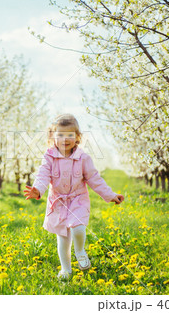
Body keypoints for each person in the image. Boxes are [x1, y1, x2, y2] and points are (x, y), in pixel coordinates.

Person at [24, 114, 124, 280]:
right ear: (53, 136)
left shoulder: (83, 158)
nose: (65, 139)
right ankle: (66, 270)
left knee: (78, 227)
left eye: (70, 135)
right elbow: (42, 175)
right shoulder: (49, 157)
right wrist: (38, 189)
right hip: (58, 201)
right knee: (63, 237)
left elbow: (94, 179)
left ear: (78, 137)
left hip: (78, 199)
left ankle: (80, 251)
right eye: (61, 135)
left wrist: (111, 195)